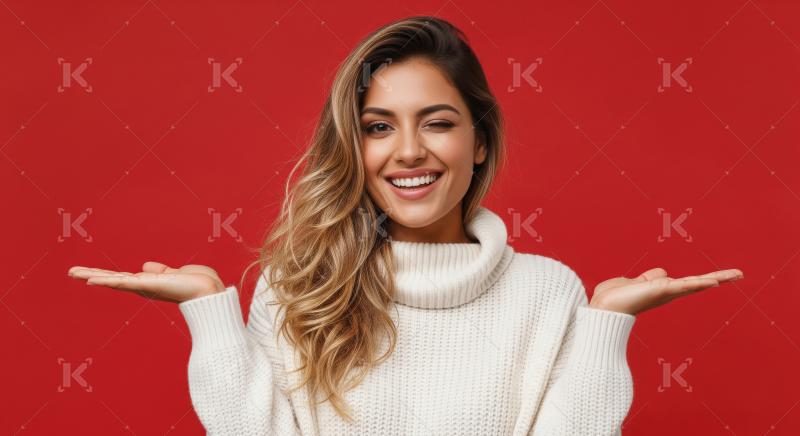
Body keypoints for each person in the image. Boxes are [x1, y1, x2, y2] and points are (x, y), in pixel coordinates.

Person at [67, 16, 743, 435]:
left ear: (479, 141)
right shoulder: (301, 286)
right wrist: (209, 313)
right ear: (353, 148)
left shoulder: (549, 291)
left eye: (438, 123)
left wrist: (605, 324)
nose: (409, 151)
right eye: (377, 128)